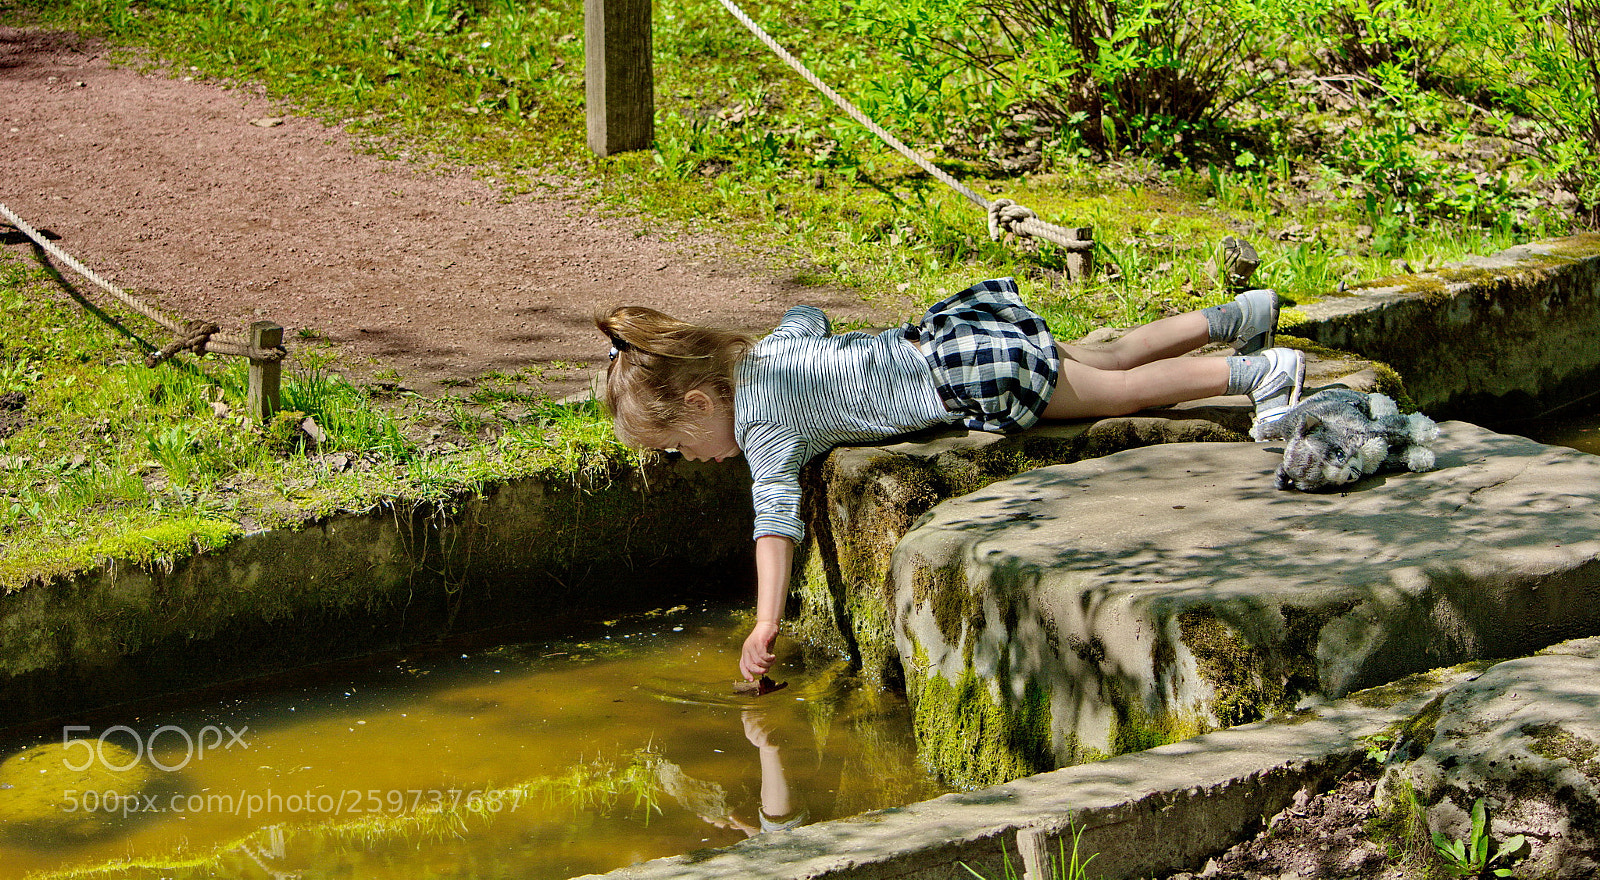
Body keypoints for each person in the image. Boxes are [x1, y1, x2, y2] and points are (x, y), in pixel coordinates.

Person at [596, 278, 1301, 681]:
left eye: (680, 448)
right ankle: (1241, 316)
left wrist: (766, 621)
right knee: (1106, 355)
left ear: (697, 404)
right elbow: (805, 316)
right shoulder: (766, 357)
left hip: (968, 377)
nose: (692, 460)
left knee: (1119, 393)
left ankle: (1256, 374)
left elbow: (774, 524)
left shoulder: (764, 429)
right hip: (948, 336)